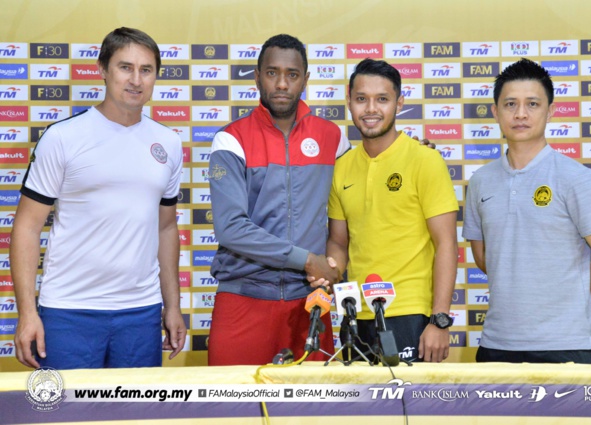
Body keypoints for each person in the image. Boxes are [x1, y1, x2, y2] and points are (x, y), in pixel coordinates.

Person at [11, 27, 186, 369]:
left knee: (137, 405)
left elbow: (166, 228)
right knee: (64, 406)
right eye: (125, 67)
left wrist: (173, 306)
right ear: (103, 69)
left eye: (146, 70)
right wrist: (27, 313)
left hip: (140, 312)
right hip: (68, 311)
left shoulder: (169, 143)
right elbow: (27, 227)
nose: (136, 80)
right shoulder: (62, 138)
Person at [463, 58, 591, 364]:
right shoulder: (480, 182)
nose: (520, 114)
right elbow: (486, 258)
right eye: (510, 104)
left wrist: (568, 305)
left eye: (533, 104)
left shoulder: (576, 177)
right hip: (497, 344)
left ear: (550, 111)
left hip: (566, 345)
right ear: (496, 112)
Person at [206, 34, 350, 366]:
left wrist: (411, 153)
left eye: (292, 74)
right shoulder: (231, 139)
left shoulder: (333, 138)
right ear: (257, 77)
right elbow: (230, 228)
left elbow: (353, 207)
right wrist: (307, 260)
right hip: (243, 299)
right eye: (272, 73)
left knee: (315, 402)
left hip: (310, 304)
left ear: (305, 80)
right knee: (230, 400)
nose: (282, 84)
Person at [325, 59, 459, 363]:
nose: (371, 109)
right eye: (361, 99)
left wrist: (439, 319)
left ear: (399, 103)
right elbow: (338, 242)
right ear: (349, 102)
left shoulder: (425, 160)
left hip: (411, 314)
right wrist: (329, 272)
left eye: (382, 99)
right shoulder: (341, 167)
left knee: (410, 397)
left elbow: (447, 243)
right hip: (356, 316)